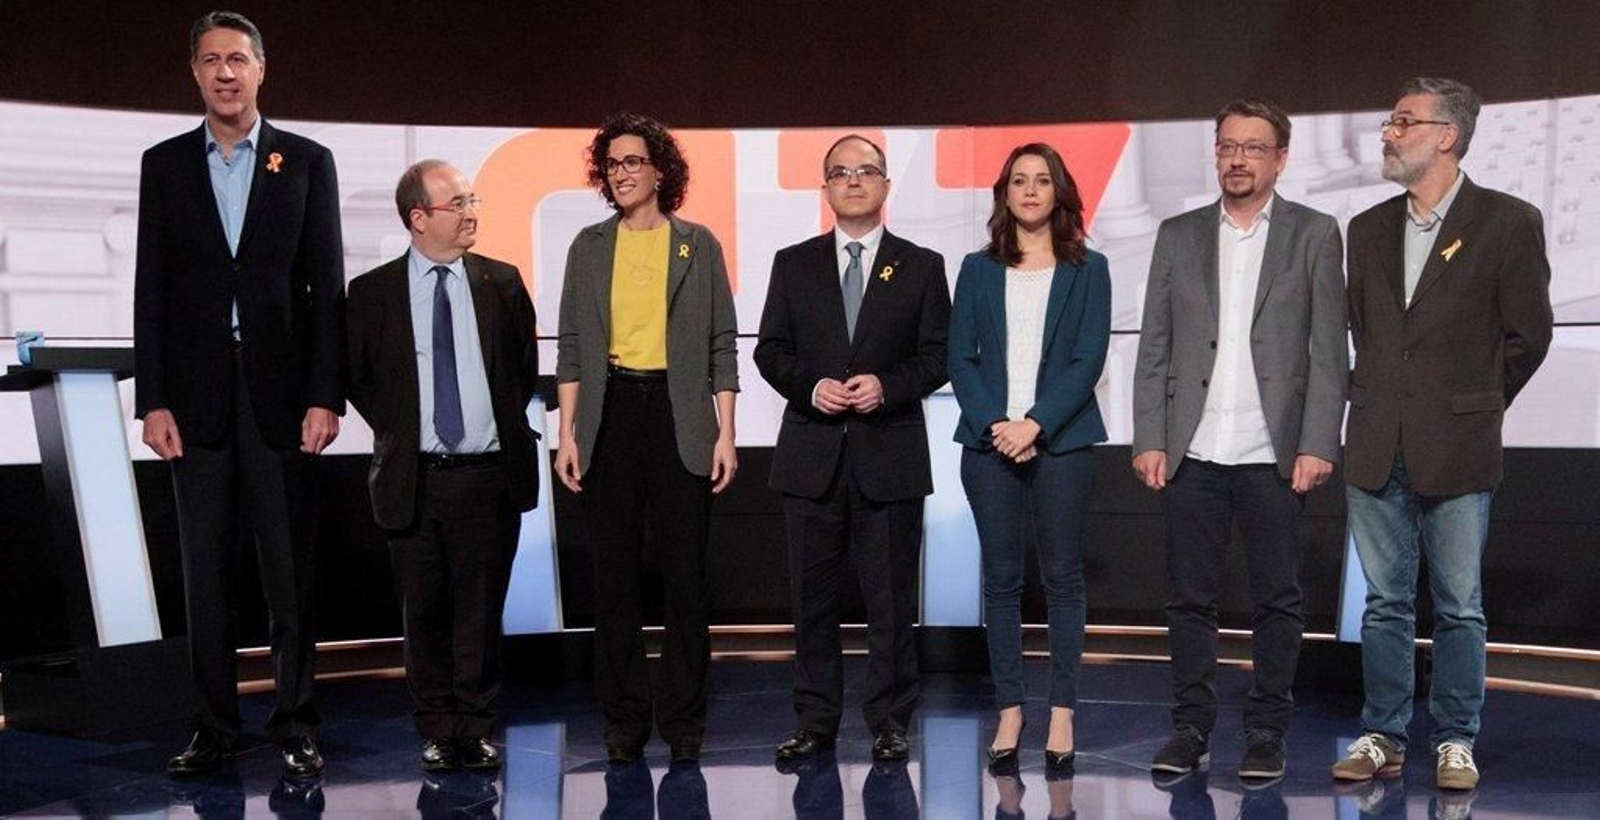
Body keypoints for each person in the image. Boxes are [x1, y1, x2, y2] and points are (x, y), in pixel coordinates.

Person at [133, 10, 342, 779]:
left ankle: (295, 722)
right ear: (195, 72)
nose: (226, 72)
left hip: (283, 401)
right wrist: (151, 398)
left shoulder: (307, 161)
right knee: (205, 578)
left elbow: (327, 290)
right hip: (193, 406)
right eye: (212, 60)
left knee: (289, 574)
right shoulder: (164, 164)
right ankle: (214, 727)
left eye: (239, 59)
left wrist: (326, 394)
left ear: (261, 69)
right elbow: (149, 287)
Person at [1331, 77, 1552, 791]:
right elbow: (1364, 333)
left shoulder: (1508, 221)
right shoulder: (1366, 229)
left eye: (1403, 121)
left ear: (1446, 136)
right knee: (1384, 601)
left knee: (1459, 604)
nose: (1388, 133)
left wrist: (1476, 404)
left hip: (1459, 446)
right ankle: (1381, 733)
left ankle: (1456, 737)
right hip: (1374, 442)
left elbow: (1528, 337)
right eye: (1391, 119)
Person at [1132, 99, 1347, 780]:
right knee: (1189, 599)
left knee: (1277, 600)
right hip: (1192, 450)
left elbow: (1327, 351)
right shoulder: (1178, 234)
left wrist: (1319, 441)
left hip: (1273, 453)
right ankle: (1190, 729)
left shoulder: (1315, 233)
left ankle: (1266, 732)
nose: (1237, 158)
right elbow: (1155, 346)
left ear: (1280, 159)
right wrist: (1149, 436)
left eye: (1254, 147)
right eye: (1228, 145)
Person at [756, 134, 950, 763]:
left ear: (886, 185)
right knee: (812, 604)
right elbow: (769, 351)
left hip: (888, 457)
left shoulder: (921, 265)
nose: (853, 181)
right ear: (826, 188)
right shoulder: (794, 263)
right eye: (840, 172)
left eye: (866, 171)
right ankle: (816, 723)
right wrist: (811, 386)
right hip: (811, 458)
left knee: (890, 601)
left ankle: (891, 721)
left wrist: (887, 388)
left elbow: (938, 357)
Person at [554, 112, 739, 765]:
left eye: (635, 162)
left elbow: (722, 344)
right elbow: (572, 346)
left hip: (679, 414)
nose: (623, 173)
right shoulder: (588, 246)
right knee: (615, 582)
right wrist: (566, 433)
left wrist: (726, 432)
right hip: (611, 415)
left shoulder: (698, 243)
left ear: (661, 169)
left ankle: (684, 721)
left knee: (686, 579)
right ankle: (625, 719)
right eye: (613, 164)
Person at [346, 160, 538, 771]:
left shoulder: (502, 282)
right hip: (416, 476)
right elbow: (360, 378)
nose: (472, 210)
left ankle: (475, 724)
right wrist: (403, 432)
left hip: (487, 475)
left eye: (473, 198)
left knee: (481, 611)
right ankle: (434, 727)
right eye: (459, 201)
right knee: (423, 611)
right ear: (418, 217)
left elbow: (520, 371)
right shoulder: (372, 292)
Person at [947, 143, 1110, 775]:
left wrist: (1036, 424)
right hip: (989, 446)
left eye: (1043, 180)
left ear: (1059, 192)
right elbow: (961, 356)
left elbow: (1087, 359)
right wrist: (998, 424)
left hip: (1061, 444)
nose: (1032, 190)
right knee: (1001, 581)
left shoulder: (1088, 268)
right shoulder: (977, 267)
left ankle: (1062, 709)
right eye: (1020, 180)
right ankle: (1011, 707)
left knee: (1064, 579)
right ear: (1005, 193)